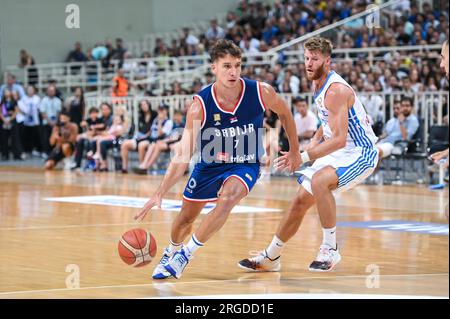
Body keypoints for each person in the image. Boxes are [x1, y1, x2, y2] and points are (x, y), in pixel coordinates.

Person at [134, 39, 301, 280]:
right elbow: (182, 154)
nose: (233, 72)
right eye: (226, 66)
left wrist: (294, 150)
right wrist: (160, 191)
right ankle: (172, 251)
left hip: (245, 162)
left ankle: (185, 255)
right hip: (209, 165)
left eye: (237, 65)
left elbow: (285, 113)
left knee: (228, 198)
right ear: (214, 68)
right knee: (185, 219)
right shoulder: (199, 106)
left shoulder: (260, 91)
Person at [238, 37, 379, 272]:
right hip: (341, 150)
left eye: (314, 59)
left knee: (319, 181)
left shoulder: (336, 90)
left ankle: (330, 249)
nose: (309, 63)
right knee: (299, 202)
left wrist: (303, 156)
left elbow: (339, 139)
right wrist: (315, 137)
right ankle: (271, 257)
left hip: (360, 152)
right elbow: (329, 119)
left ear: (327, 60)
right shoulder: (318, 85)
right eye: (306, 58)